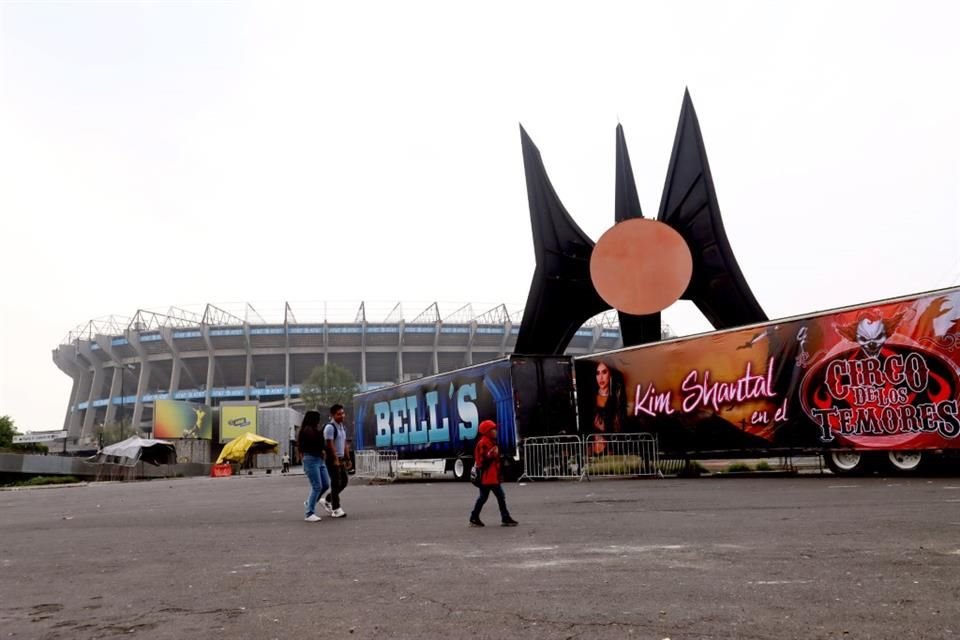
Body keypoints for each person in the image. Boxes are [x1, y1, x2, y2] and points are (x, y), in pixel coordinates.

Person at [469, 419, 518, 527]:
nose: (495, 431)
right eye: (493, 429)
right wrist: (492, 454)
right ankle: (505, 517)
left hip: (490, 476)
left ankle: (474, 517)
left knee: (483, 497)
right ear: (487, 431)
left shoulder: (489, 442)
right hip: (488, 477)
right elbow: (482, 461)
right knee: (500, 496)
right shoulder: (484, 443)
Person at [297, 410, 330, 522]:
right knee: (317, 486)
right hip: (311, 459)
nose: (319, 421)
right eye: (317, 418)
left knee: (325, 484)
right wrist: (321, 433)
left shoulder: (313, 430)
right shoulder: (308, 431)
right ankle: (309, 513)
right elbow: (317, 444)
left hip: (319, 459)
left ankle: (309, 503)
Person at [319, 404, 349, 518]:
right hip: (332, 459)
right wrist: (335, 459)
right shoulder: (330, 427)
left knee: (344, 482)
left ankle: (327, 499)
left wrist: (347, 458)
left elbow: (345, 443)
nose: (342, 416)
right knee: (336, 483)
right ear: (332, 415)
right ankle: (336, 509)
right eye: (339, 414)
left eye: (343, 413)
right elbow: (330, 445)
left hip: (340, 459)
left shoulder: (342, 426)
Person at [591, 361, 627, 455]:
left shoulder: (616, 398)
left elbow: (618, 425)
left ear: (610, 374)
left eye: (604, 372)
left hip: (611, 449)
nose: (601, 377)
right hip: (593, 450)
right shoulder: (591, 398)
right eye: (597, 373)